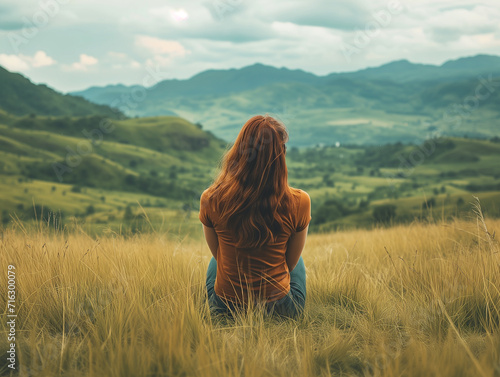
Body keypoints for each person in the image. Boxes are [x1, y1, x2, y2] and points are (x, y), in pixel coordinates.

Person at [198, 115, 311, 319]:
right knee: (299, 259)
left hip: (225, 307)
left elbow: (217, 253)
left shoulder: (210, 198)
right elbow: (290, 264)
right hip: (280, 309)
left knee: (218, 259)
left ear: (239, 150)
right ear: (281, 155)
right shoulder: (300, 201)